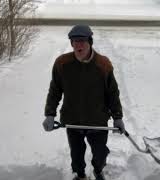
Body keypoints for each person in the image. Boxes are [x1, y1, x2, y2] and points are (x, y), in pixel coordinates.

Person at [43, 25, 125, 180]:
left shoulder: (103, 64)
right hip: (73, 120)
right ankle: (80, 175)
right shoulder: (62, 63)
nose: (78, 45)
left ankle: (98, 170)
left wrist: (117, 117)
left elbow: (112, 93)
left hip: (97, 120)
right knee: (76, 155)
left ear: (90, 42)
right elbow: (55, 90)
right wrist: (49, 114)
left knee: (100, 153)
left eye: (82, 41)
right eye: (74, 41)